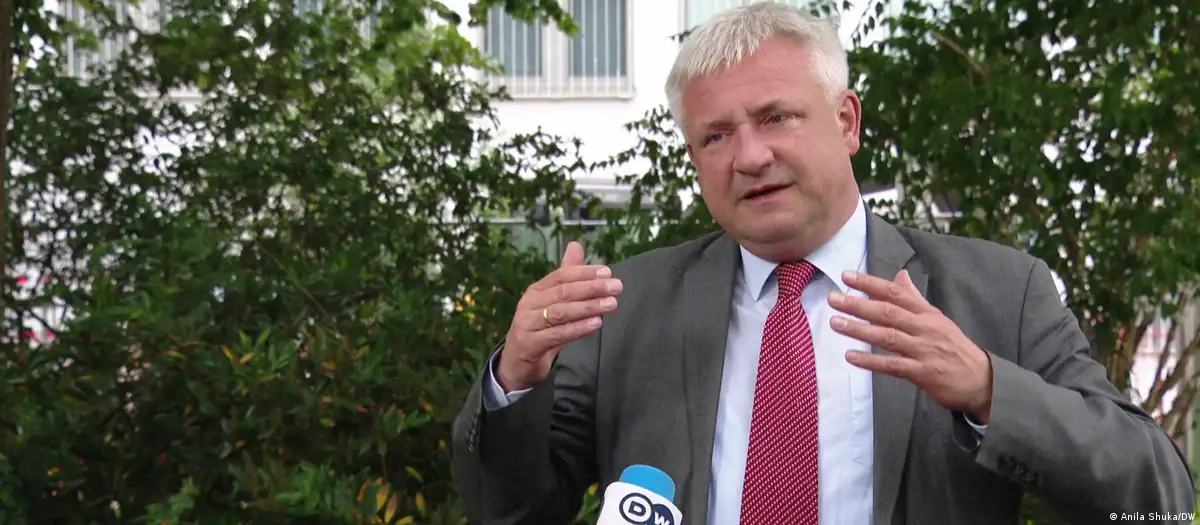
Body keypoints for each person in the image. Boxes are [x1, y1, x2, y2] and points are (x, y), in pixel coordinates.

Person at [451, 3, 1195, 524]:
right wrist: (515, 379)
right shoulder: (628, 307)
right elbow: (506, 512)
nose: (749, 156)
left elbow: (1157, 497)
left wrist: (989, 390)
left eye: (776, 117)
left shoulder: (998, 292)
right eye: (716, 136)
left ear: (846, 122)